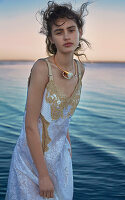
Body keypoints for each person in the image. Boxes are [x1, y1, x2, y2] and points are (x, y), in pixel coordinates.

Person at [5, 1, 91, 199]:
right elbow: (30, 125)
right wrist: (43, 175)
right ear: (51, 39)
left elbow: (63, 116)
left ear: (80, 32)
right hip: (31, 159)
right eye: (59, 32)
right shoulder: (42, 69)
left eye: (71, 29)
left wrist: (67, 148)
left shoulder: (80, 70)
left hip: (61, 157)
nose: (67, 36)